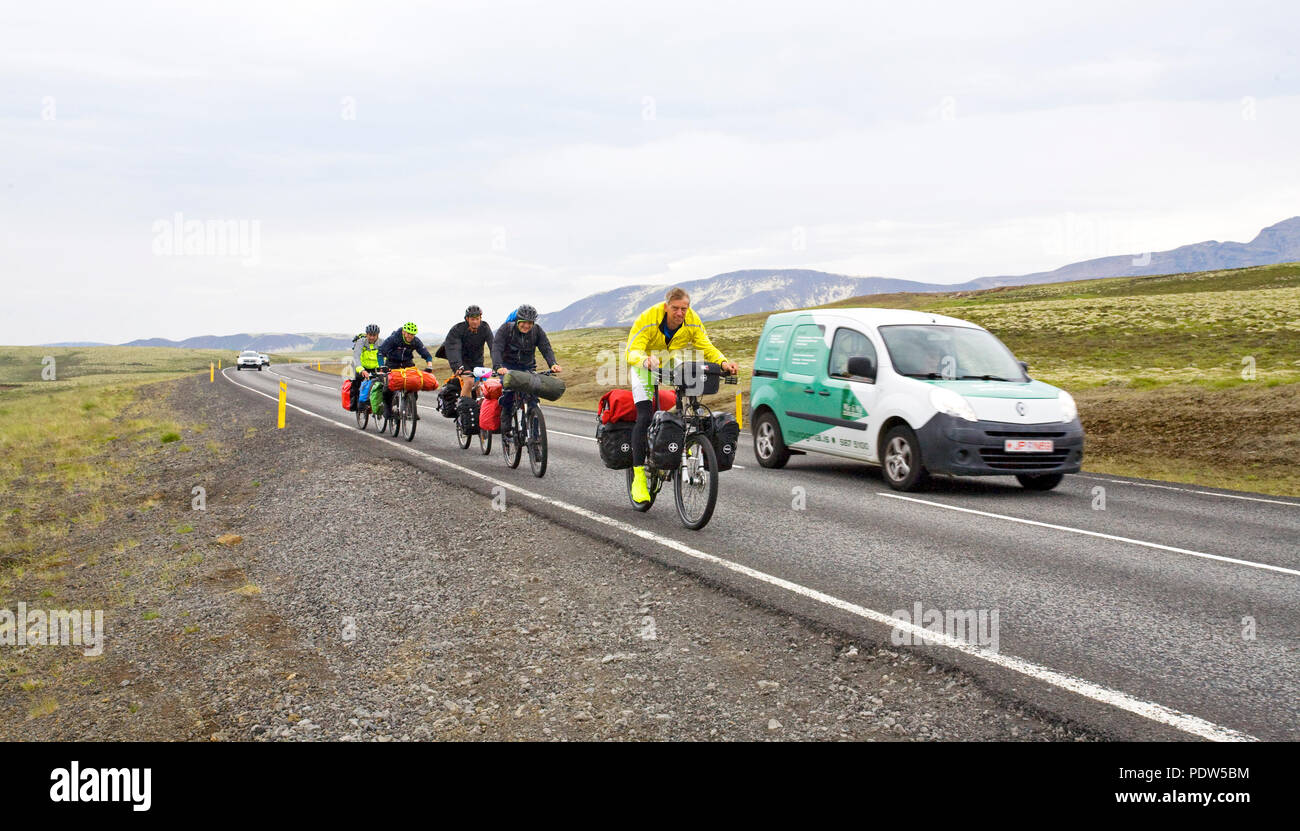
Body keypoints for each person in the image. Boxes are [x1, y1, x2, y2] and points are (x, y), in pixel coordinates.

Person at [624, 287, 738, 504]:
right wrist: (645, 360)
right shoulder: (648, 318)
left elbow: (706, 346)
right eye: (675, 308)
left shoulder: (692, 320)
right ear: (666, 306)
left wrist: (723, 362)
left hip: (668, 361)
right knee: (645, 415)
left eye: (684, 309)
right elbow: (632, 351)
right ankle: (638, 475)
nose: (680, 313)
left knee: (687, 403)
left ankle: (676, 442)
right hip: (643, 365)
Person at [492, 304, 561, 428]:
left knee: (533, 398)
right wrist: (498, 366)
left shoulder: (537, 331)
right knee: (508, 391)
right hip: (508, 367)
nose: (527, 325)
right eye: (524, 322)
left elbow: (546, 348)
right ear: (518, 320)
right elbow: (496, 348)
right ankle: (506, 417)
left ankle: (535, 439)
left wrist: (553, 364)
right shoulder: (506, 329)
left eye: (530, 322)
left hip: (527, 367)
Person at [378, 322, 436, 417]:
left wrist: (429, 366)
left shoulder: (415, 341)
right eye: (408, 333)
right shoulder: (394, 339)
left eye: (412, 334)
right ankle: (387, 409)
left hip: (407, 363)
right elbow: (381, 352)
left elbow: (427, 355)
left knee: (414, 383)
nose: (410, 336)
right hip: (392, 363)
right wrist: (382, 366)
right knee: (388, 387)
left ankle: (410, 408)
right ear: (404, 332)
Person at [444, 305, 493, 399]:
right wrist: (457, 365)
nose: (475, 322)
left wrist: (499, 365)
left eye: (477, 319)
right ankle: (465, 409)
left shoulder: (485, 327)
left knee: (481, 385)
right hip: (462, 362)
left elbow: (493, 347)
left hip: (477, 361)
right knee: (469, 381)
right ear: (467, 319)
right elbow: (453, 348)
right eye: (472, 319)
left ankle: (480, 410)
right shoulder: (458, 329)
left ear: (480, 318)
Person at [348, 324, 384, 412]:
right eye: (369, 335)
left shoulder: (381, 343)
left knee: (385, 384)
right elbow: (356, 357)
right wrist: (361, 370)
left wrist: (383, 368)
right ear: (366, 334)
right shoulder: (361, 342)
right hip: (362, 367)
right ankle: (355, 404)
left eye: (374, 335)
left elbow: (385, 356)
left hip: (376, 368)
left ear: (377, 335)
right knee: (356, 383)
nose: (371, 337)